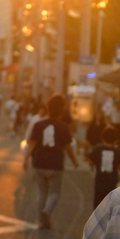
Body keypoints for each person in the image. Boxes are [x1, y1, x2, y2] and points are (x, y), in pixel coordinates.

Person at [26, 93, 78, 228]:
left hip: (39, 162)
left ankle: (41, 221)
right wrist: (74, 161)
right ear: (62, 110)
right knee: (54, 192)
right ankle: (47, 211)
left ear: (48, 108)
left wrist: (26, 159)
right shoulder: (63, 127)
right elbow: (68, 147)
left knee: (42, 192)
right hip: (55, 164)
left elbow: (32, 144)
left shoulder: (38, 125)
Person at [87, 125, 120, 208]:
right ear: (115, 138)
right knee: (110, 204)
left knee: (98, 203)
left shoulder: (97, 149)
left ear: (102, 137)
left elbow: (90, 162)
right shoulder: (117, 151)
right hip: (112, 181)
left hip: (99, 181)